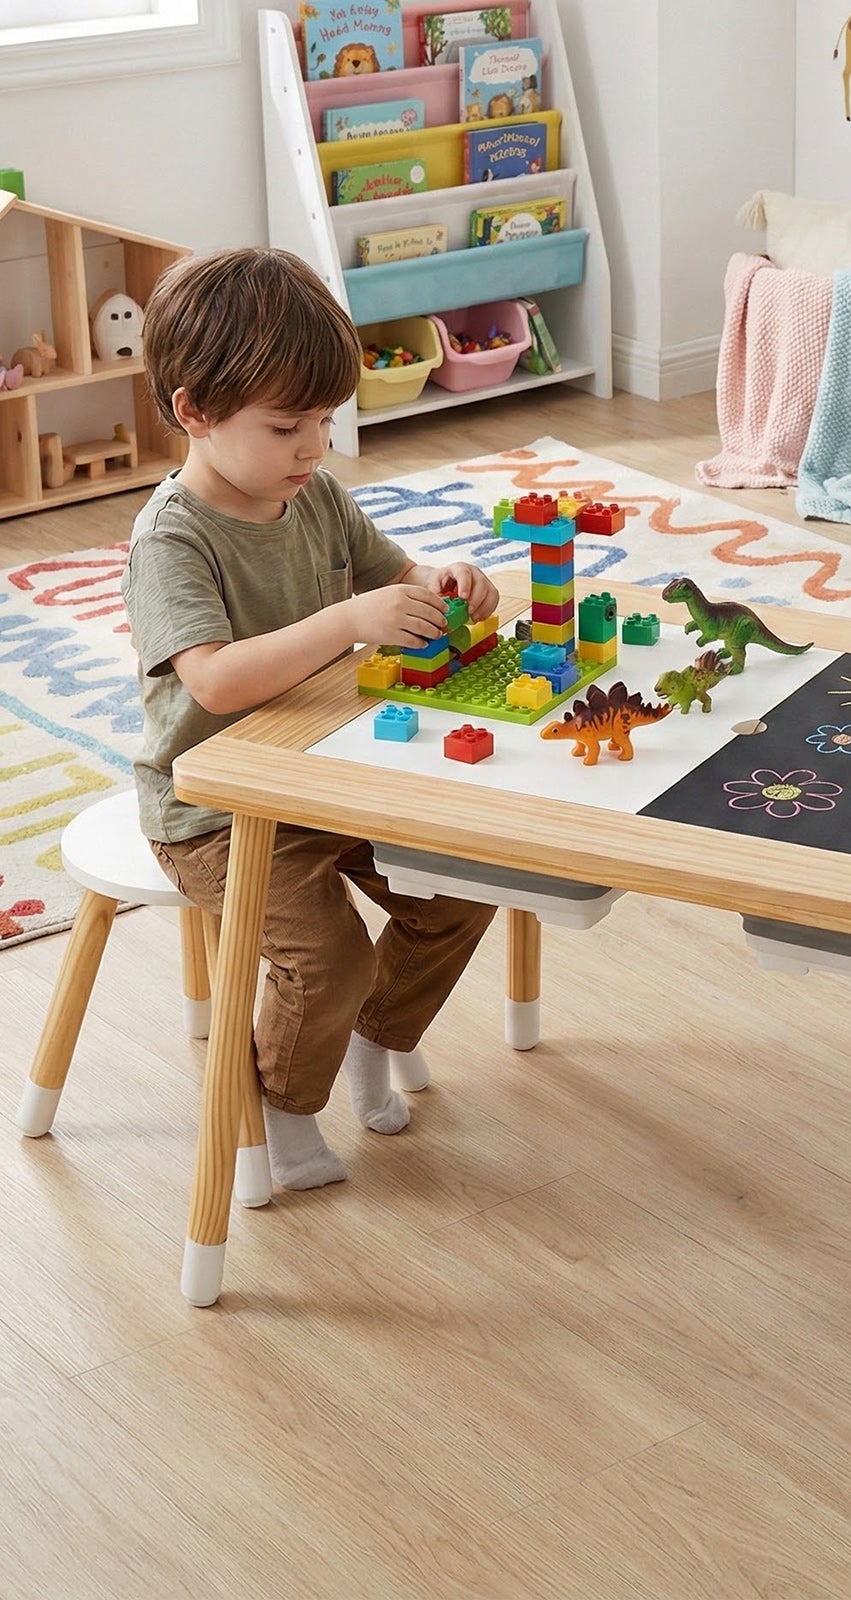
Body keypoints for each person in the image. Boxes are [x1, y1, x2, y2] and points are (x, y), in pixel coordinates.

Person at [121, 247, 501, 1193]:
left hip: (329, 773)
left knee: (466, 887)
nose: (312, 449)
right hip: (215, 813)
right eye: (286, 426)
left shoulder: (316, 495)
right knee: (328, 957)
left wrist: (445, 581)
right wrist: (346, 623)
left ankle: (377, 1037)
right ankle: (285, 1110)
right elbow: (214, 682)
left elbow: (397, 578)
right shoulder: (172, 536)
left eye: (326, 421)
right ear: (193, 412)